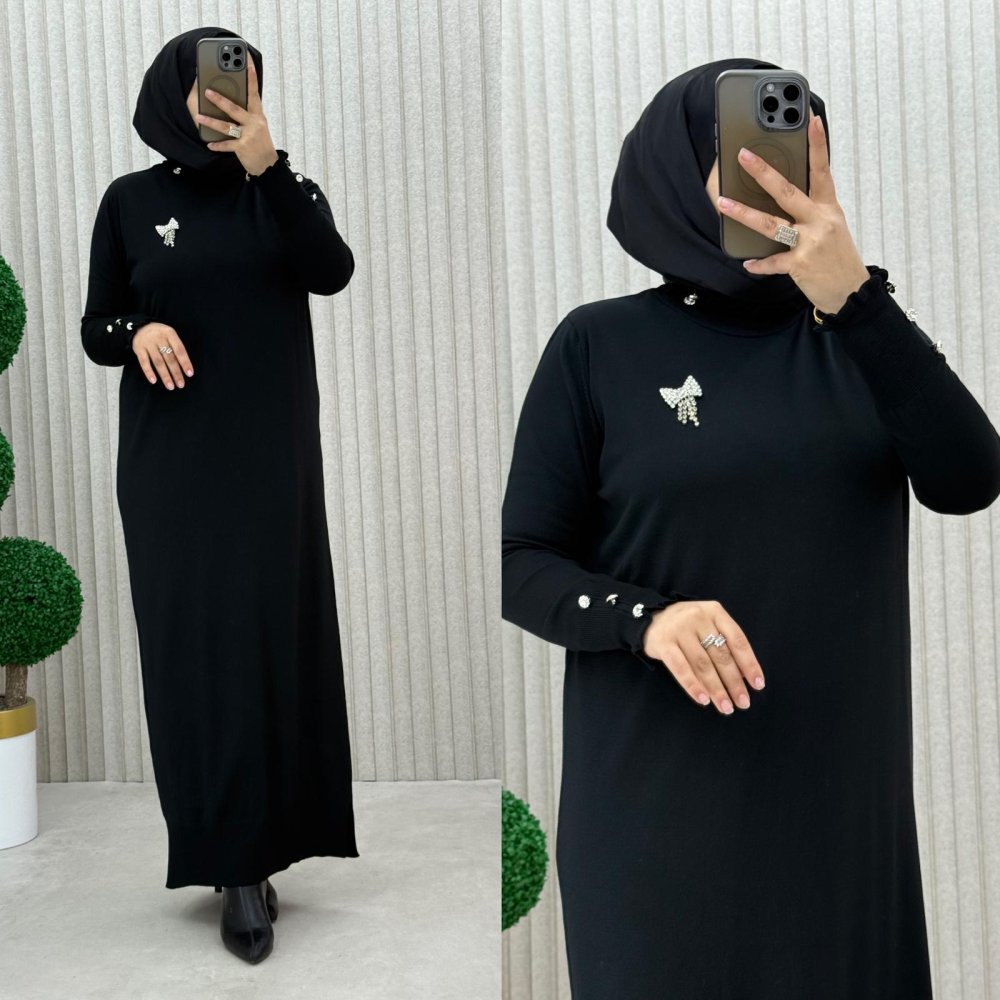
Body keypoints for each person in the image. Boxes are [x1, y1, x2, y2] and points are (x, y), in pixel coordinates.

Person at [501, 56, 1000, 998]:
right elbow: (521, 562)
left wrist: (857, 300)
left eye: (797, 153)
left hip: (837, 813)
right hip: (656, 810)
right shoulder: (597, 346)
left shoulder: (860, 341)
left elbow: (971, 480)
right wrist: (647, 618)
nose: (770, 176)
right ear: (673, 171)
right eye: (742, 149)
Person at [80, 26, 358, 965]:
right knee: (197, 653)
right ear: (175, 92)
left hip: (272, 465)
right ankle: (231, 862)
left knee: (274, 640)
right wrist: (136, 329)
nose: (224, 99)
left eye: (242, 84)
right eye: (209, 84)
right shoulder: (129, 202)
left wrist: (268, 166)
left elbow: (331, 272)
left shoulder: (283, 192)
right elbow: (95, 325)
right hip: (172, 472)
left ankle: (269, 846)